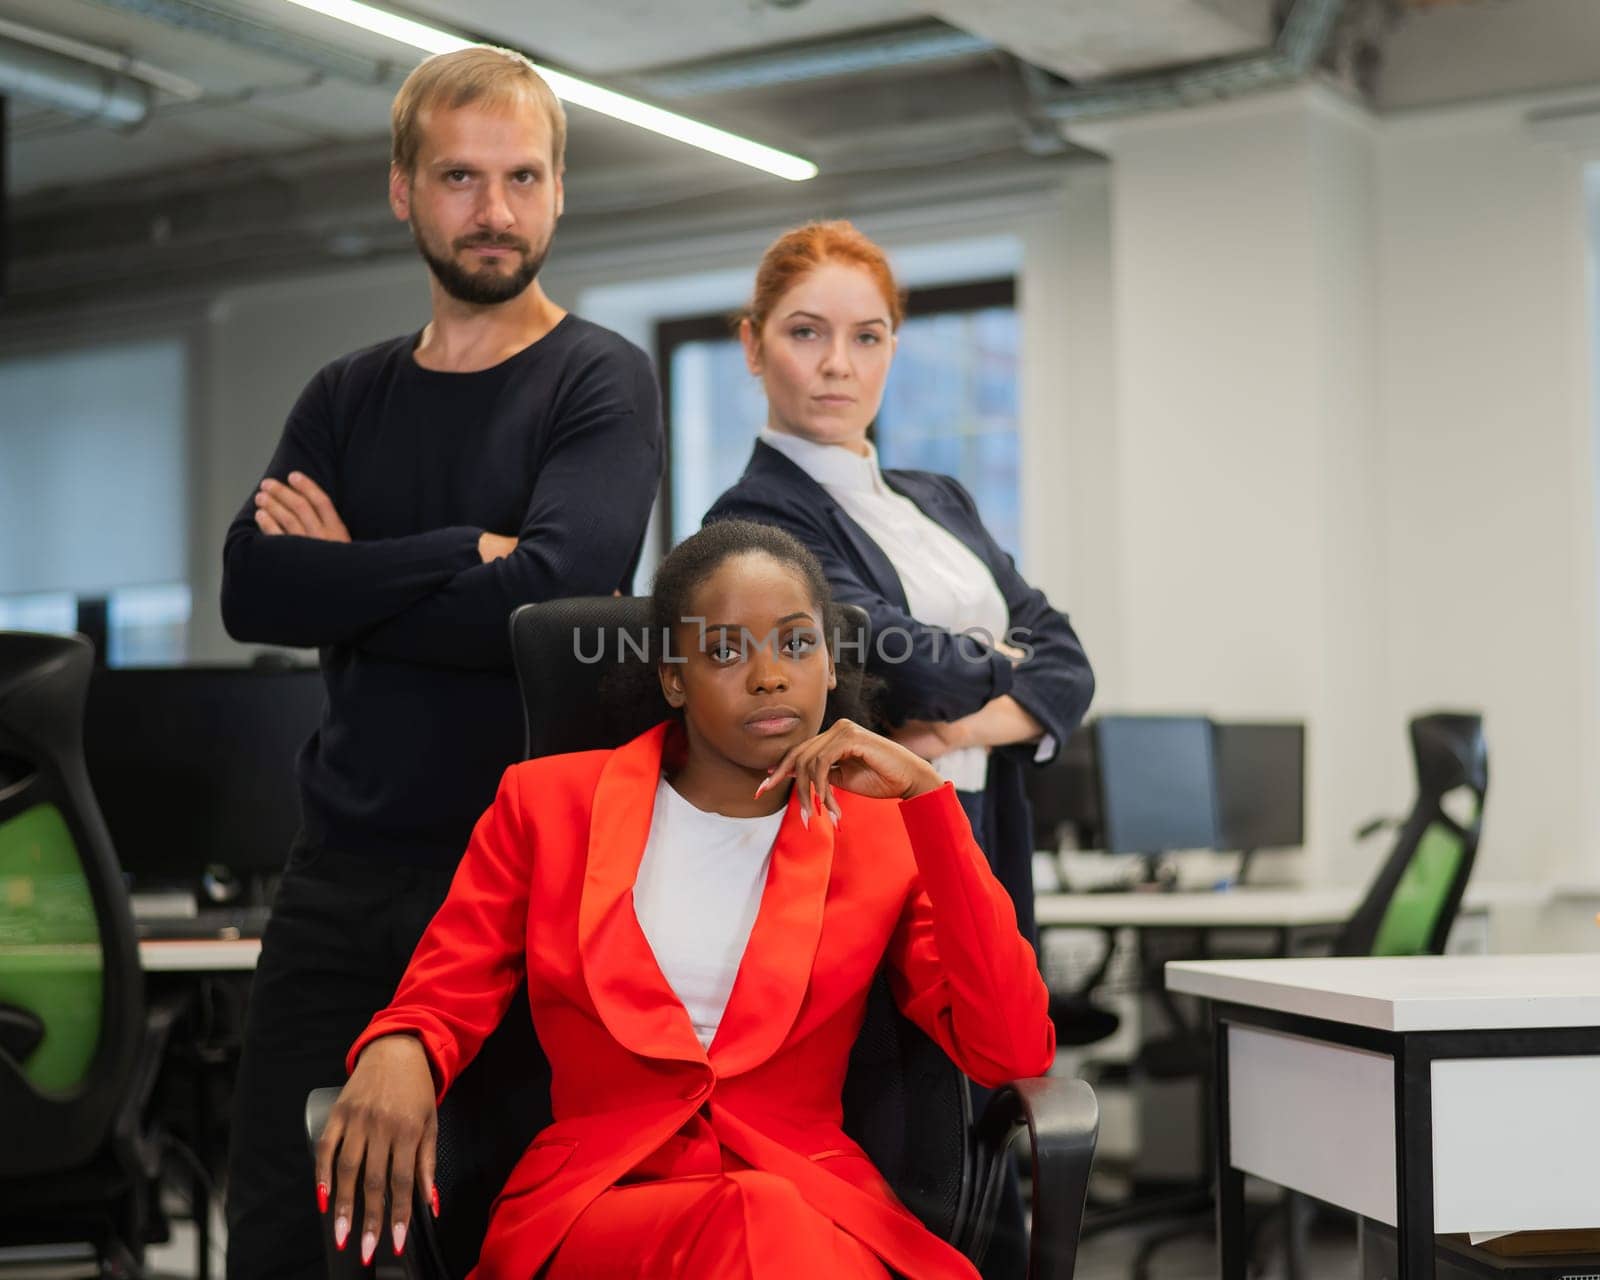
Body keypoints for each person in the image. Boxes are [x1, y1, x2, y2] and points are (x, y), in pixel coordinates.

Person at [315, 519, 1053, 1278]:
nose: (770, 676)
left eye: (798, 644)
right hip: (600, 1205)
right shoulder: (545, 805)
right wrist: (401, 1048)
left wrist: (930, 805)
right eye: (727, 651)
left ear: (831, 664)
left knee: (763, 1220)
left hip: (810, 1204)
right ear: (673, 676)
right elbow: (443, 993)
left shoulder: (883, 833)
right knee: (751, 1223)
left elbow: (1011, 1048)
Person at [218, 46, 663, 1279]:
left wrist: (348, 580)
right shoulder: (346, 393)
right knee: (288, 1231)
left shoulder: (598, 378)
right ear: (403, 189)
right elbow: (251, 588)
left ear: (560, 191)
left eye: (523, 177)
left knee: (488, 1232)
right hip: (338, 876)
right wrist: (461, 549)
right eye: (461, 177)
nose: (496, 210)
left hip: (521, 888)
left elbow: (549, 607)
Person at [705, 220, 1094, 949]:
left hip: (988, 827)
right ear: (753, 346)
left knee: (996, 1045)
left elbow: (1070, 663)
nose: (838, 366)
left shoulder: (938, 499)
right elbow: (900, 664)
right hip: (875, 850)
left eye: (867, 337)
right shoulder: (754, 517)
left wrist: (958, 731)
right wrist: (1005, 665)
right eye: (806, 333)